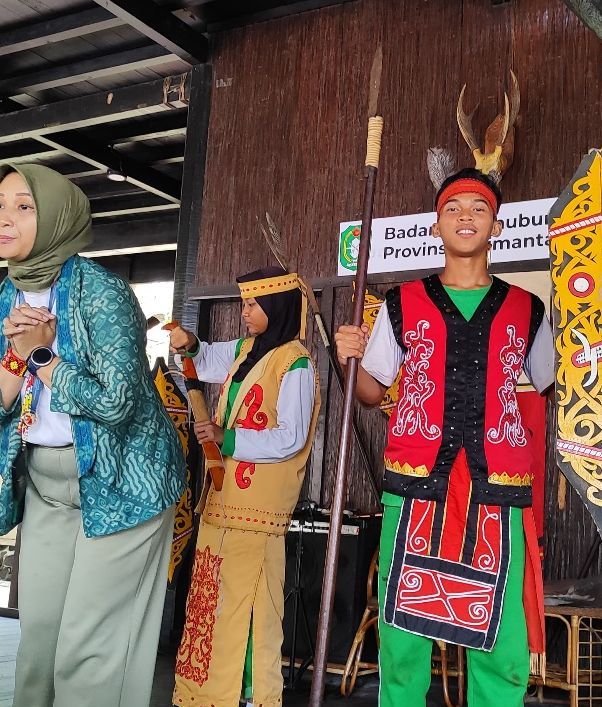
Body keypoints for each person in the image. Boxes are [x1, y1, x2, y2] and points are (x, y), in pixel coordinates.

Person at [0, 163, 186, 707]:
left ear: (56, 217)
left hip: (126, 481)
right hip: (48, 485)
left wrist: (45, 356)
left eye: (24, 207)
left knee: (88, 645)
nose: (4, 218)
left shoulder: (102, 293)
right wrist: (15, 357)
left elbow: (117, 401)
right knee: (40, 639)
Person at [335, 168, 554, 707]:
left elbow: (552, 383)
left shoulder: (528, 310)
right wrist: (348, 359)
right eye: (453, 208)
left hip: (496, 486)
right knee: (403, 640)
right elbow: (369, 392)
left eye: (478, 208)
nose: (465, 217)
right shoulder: (402, 302)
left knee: (501, 640)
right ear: (436, 226)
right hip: (414, 484)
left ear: (496, 226)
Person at [170, 266, 321, 707]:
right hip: (222, 500)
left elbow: (290, 438)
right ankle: (206, 696)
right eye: (244, 302)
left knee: (250, 606)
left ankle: (249, 696)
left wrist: (227, 438)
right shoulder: (248, 350)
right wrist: (191, 346)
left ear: (277, 306)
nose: (244, 312)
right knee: (214, 602)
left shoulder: (295, 363)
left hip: (257, 509)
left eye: (253, 304)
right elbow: (210, 359)